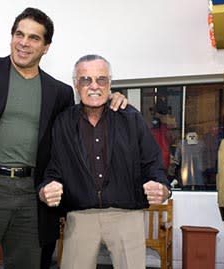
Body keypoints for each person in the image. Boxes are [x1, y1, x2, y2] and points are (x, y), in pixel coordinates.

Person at [0, 8, 127, 269]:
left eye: (34, 38)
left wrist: (108, 101)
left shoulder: (59, 92)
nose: (24, 43)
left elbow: (77, 132)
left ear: (46, 47)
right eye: (19, 34)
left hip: (32, 196)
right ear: (12, 36)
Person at [38, 54, 171, 269]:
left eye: (101, 79)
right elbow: (53, 170)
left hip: (127, 215)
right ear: (75, 84)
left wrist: (163, 188)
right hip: (80, 217)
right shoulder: (63, 122)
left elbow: (152, 164)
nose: (94, 86)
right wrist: (46, 189)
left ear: (110, 83)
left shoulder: (130, 117)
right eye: (85, 79)